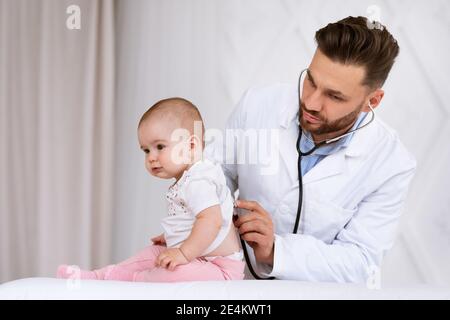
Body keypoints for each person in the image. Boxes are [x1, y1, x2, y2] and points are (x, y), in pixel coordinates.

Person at [206, 16, 417, 282]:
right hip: (233, 286)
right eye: (311, 81)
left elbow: (362, 263)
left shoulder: (392, 164)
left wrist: (275, 251)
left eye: (335, 96)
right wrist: (200, 220)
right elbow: (213, 173)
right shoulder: (258, 105)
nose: (311, 102)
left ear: (372, 101)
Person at [57, 98, 244, 282]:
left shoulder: (200, 180)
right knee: (149, 255)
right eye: (146, 150)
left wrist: (183, 253)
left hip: (219, 268)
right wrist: (172, 235)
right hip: (197, 255)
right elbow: (192, 220)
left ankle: (134, 279)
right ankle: (98, 276)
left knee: (172, 272)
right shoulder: (186, 180)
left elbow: (212, 221)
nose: (151, 157)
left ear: (191, 145)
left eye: (160, 147)